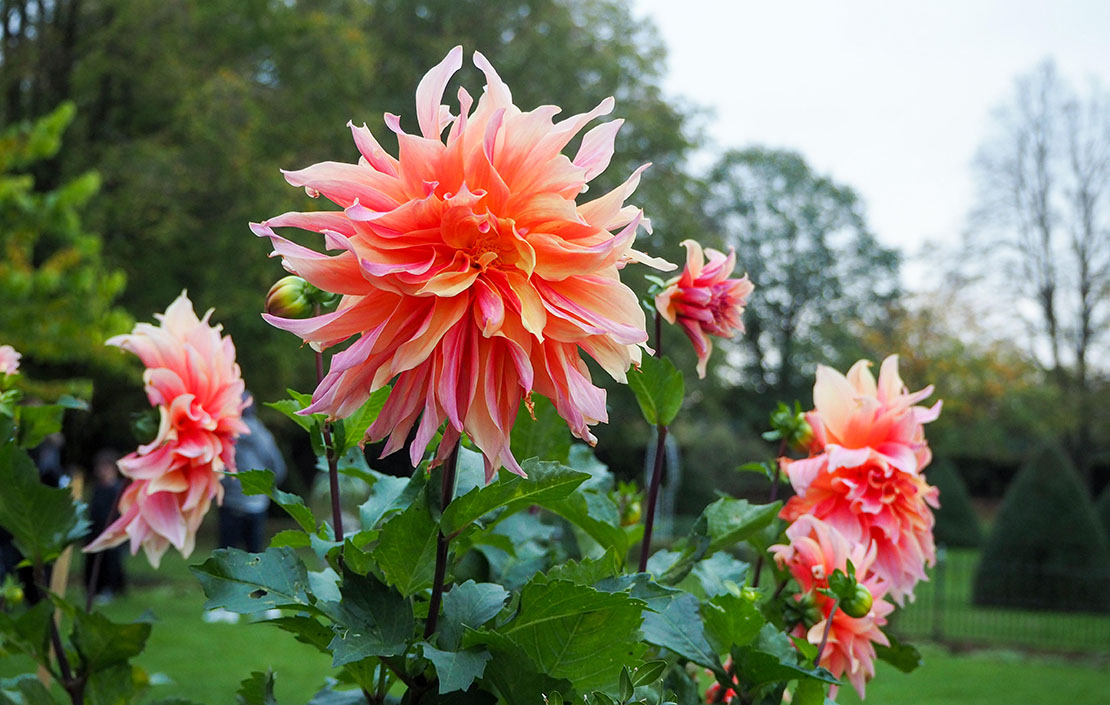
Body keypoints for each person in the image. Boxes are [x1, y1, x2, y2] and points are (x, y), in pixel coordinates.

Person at [218, 395, 286, 553]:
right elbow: (278, 467)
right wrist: (266, 489)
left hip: (230, 503)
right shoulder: (263, 435)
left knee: (226, 559)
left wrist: (225, 488)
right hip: (257, 504)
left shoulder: (226, 433)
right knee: (255, 559)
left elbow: (219, 468)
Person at [85, 449, 127, 602]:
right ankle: (93, 588)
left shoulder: (117, 488)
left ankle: (110, 588)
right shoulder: (97, 488)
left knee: (110, 560)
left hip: (111, 531)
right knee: (93, 560)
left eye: (105, 467)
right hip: (95, 530)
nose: (101, 471)